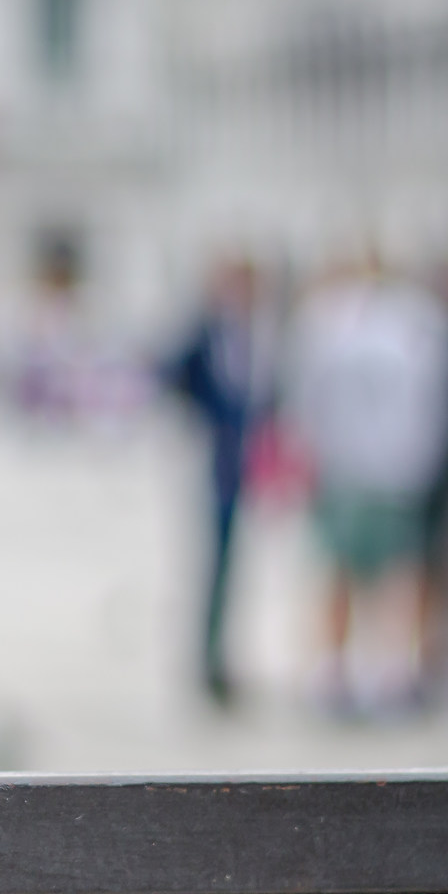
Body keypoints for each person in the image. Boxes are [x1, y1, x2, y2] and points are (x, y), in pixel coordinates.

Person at [285, 253, 448, 714]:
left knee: (396, 573)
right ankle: (338, 669)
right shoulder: (329, 320)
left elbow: (431, 401)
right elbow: (309, 397)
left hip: (391, 467)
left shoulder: (417, 322)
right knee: (342, 570)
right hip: (348, 466)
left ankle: (388, 670)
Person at [160, 258, 271, 707]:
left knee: (240, 570)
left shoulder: (260, 336)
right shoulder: (201, 333)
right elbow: (176, 383)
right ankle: (206, 661)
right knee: (211, 567)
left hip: (248, 466)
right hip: (213, 466)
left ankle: (225, 658)